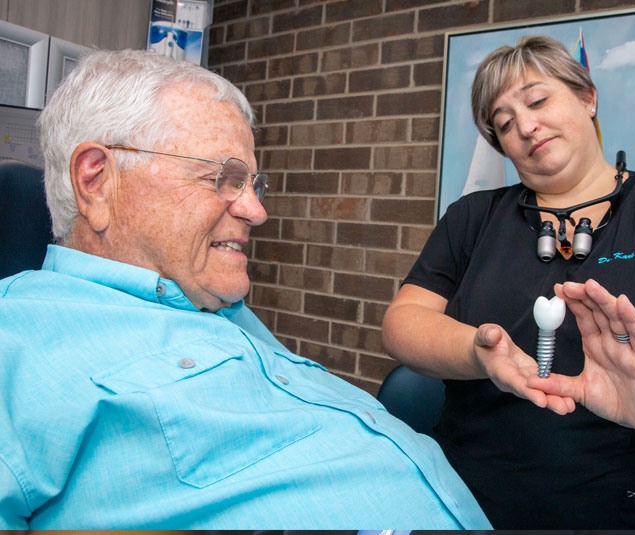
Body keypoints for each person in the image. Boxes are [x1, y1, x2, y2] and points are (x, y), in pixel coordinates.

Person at [0, 49, 491, 530]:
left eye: (254, 183)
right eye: (225, 178)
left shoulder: (217, 303)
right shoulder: (16, 339)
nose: (256, 211)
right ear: (97, 180)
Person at [381, 35, 635, 529]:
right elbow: (403, 323)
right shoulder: (472, 218)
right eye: (505, 123)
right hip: (473, 502)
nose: (526, 126)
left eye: (538, 100)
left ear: (587, 97)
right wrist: (476, 350)